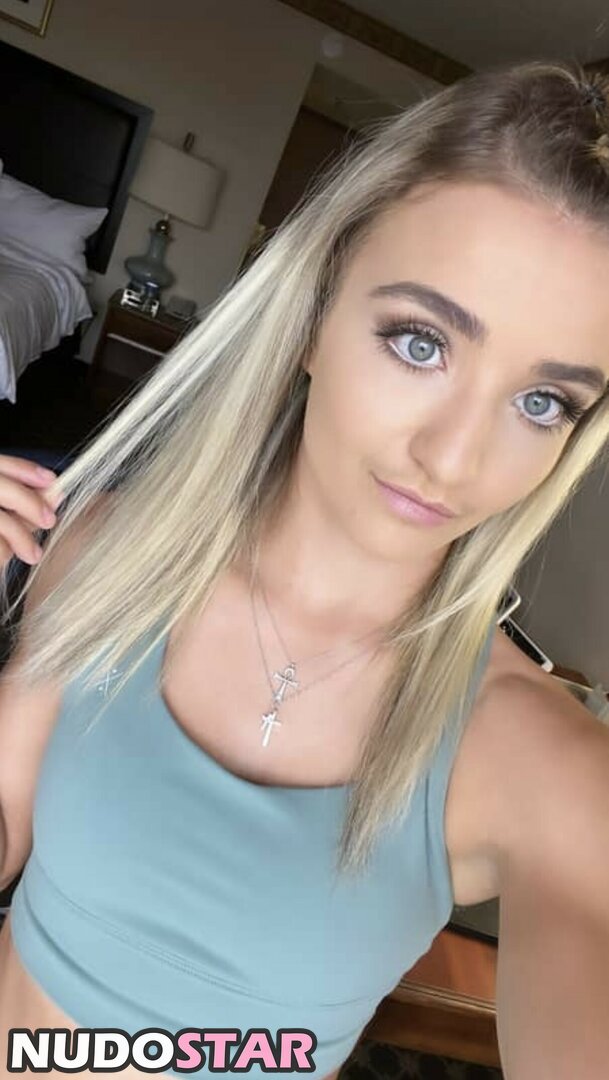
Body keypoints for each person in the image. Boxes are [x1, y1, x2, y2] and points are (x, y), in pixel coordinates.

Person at [0, 54, 608, 1080]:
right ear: (316, 316)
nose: (454, 458)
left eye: (541, 402)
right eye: (420, 343)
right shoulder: (110, 547)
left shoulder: (539, 760)